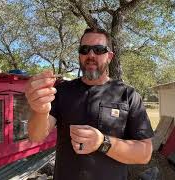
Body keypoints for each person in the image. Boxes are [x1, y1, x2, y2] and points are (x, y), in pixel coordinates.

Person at [25, 28, 154, 180]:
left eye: (99, 49)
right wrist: (39, 111)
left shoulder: (128, 95)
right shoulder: (61, 90)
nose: (91, 55)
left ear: (109, 56)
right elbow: (36, 136)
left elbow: (145, 154)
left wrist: (102, 142)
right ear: (79, 55)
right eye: (84, 49)